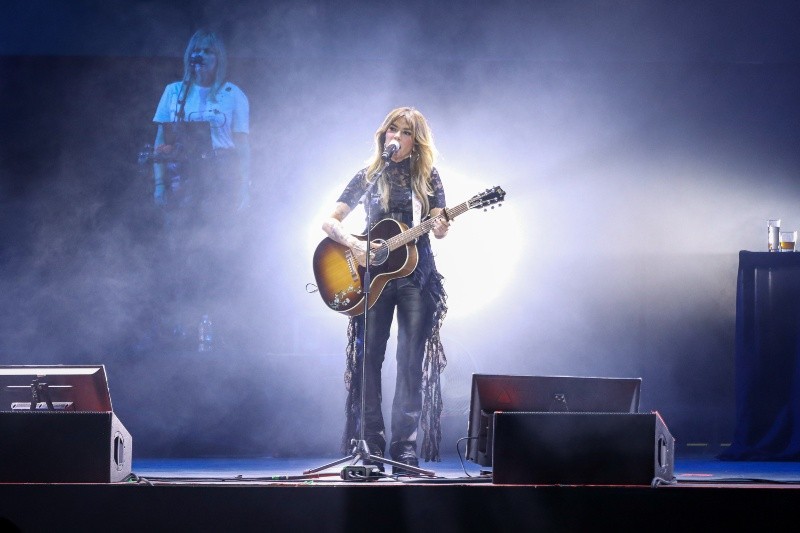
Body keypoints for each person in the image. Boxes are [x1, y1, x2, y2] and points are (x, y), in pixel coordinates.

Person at [321, 107, 450, 474]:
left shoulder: (428, 177)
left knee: (410, 362)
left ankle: (404, 448)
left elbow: (439, 224)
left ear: (416, 140)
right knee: (368, 361)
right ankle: (370, 443)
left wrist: (441, 225)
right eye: (392, 129)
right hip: (373, 277)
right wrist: (355, 245)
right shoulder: (369, 174)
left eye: (405, 132)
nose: (396, 136)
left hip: (416, 275)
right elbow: (329, 220)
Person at [150, 28, 250, 350]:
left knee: (216, 254)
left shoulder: (233, 94)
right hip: (185, 184)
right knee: (181, 254)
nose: (201, 56)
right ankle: (180, 326)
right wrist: (160, 183)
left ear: (217, 57)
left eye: (207, 50)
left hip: (219, 181)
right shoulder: (174, 93)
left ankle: (217, 325)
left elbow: (243, 147)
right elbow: (161, 143)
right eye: (196, 50)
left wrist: (244, 188)